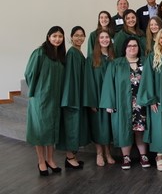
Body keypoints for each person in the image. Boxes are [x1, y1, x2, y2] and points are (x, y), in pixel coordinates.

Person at [100, 37, 150, 170]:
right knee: (124, 129)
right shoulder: (116, 63)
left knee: (140, 129)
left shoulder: (145, 62)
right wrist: (109, 103)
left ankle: (143, 155)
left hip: (141, 103)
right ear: (125, 48)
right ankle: (126, 157)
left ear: (139, 48)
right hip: (123, 102)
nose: (132, 48)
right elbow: (108, 84)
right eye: (129, 46)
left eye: (135, 45)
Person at [25, 26, 66, 176]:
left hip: (55, 99)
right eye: (54, 36)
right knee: (40, 131)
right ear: (48, 37)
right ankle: (41, 161)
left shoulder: (61, 55)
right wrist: (36, 92)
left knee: (51, 129)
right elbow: (30, 73)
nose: (57, 39)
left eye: (60, 36)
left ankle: (50, 159)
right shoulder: (40, 53)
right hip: (40, 99)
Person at [137, 30, 162, 171]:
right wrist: (152, 99)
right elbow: (147, 78)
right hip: (158, 98)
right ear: (157, 40)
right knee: (158, 126)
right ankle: (159, 155)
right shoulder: (153, 57)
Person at [58, 26, 90, 169]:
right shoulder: (72, 53)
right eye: (76, 35)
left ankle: (72, 156)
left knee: (76, 127)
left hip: (78, 96)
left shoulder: (78, 52)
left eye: (82, 35)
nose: (79, 38)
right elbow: (72, 78)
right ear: (71, 37)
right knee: (71, 128)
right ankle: (70, 157)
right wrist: (74, 98)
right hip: (73, 97)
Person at [83, 30, 116, 167]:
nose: (104, 40)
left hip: (111, 98)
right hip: (97, 97)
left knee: (108, 126)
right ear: (97, 40)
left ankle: (108, 152)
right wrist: (91, 101)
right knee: (98, 126)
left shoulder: (114, 57)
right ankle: (99, 153)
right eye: (102, 37)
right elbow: (88, 81)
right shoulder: (92, 58)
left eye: (107, 37)